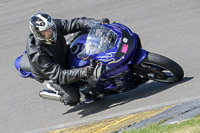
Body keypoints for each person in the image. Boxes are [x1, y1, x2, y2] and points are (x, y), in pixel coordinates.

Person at [26, 13, 109, 106]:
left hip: (62, 53)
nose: (50, 33)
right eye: (45, 32)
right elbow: (58, 75)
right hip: (50, 75)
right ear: (37, 33)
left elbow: (75, 23)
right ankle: (77, 93)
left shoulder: (52, 26)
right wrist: (81, 73)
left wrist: (96, 23)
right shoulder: (37, 53)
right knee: (72, 97)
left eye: (50, 29)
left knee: (87, 30)